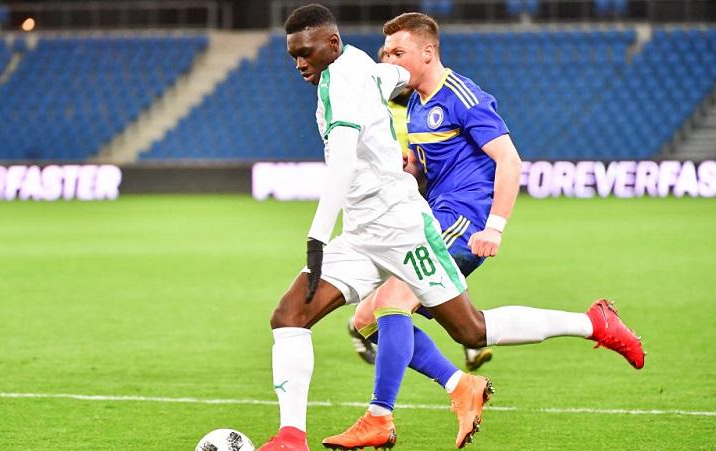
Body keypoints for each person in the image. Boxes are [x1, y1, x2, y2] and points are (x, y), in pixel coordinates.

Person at [322, 12, 646, 450]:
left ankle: (380, 417)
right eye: (385, 54)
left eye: (398, 53)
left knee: (393, 302)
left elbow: (509, 159)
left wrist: (495, 226)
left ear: (428, 52)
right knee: (395, 323)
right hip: (430, 217)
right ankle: (588, 326)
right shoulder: (414, 104)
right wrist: (407, 169)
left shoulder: (462, 95)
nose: (389, 62)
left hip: (462, 221)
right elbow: (431, 171)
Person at [259, 4, 492, 451]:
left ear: (331, 43)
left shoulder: (342, 82)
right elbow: (392, 77)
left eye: (305, 52)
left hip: (402, 227)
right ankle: (292, 437)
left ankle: (590, 325)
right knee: (293, 316)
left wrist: (316, 237)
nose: (299, 63)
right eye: (293, 56)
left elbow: (343, 165)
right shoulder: (361, 64)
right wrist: (406, 74)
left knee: (470, 330)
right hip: (363, 233)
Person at [346, 45, 494, 373]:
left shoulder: (422, 103)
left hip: (427, 198)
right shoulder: (377, 107)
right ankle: (365, 321)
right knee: (416, 278)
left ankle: (465, 351)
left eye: (397, 58)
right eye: (387, 61)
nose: (393, 68)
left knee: (429, 276)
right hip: (394, 203)